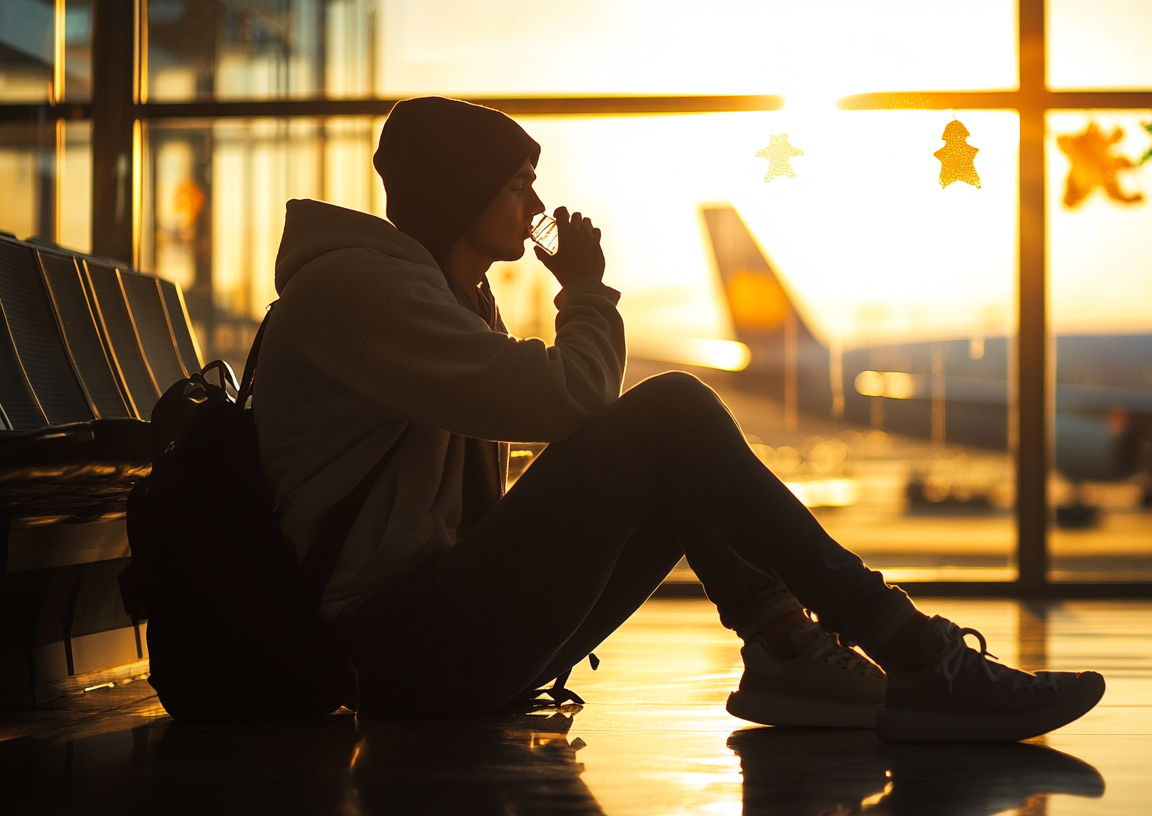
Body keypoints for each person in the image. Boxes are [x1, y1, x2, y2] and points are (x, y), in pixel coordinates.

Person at [252, 96, 1104, 742]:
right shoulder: (362, 295)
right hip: (397, 653)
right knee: (672, 411)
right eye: (517, 187)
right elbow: (570, 400)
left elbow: (541, 437)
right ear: (462, 193)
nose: (534, 204)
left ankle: (782, 647)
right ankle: (908, 650)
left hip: (439, 640)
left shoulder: (440, 297)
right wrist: (583, 289)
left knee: (668, 437)